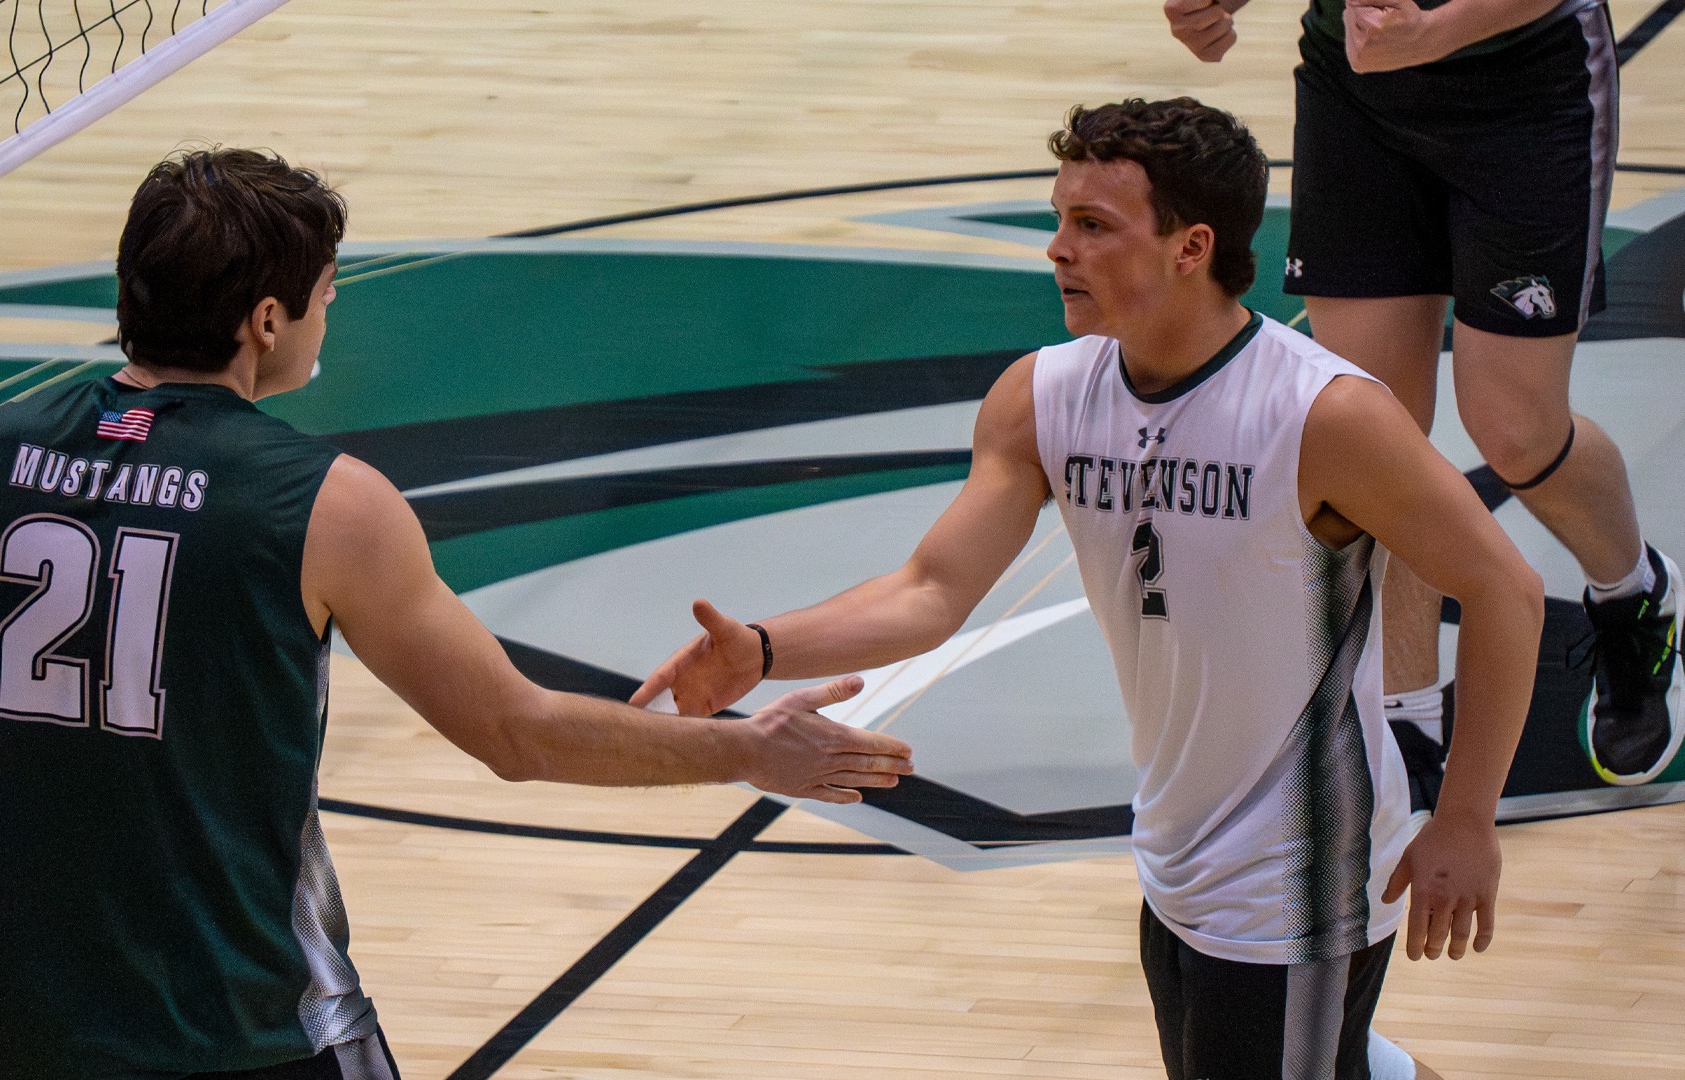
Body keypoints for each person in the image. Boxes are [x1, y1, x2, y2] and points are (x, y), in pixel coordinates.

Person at [0, 148, 914, 1080]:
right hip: (244, 1022)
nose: (330, 316)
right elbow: (517, 732)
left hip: (24, 1021)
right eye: (326, 296)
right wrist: (748, 751)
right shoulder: (327, 503)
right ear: (267, 321)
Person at [633, 99, 1543, 1079]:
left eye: (1093, 225)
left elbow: (1506, 590)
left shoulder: (1323, 415)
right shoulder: (1043, 396)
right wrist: (764, 649)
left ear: (1192, 247)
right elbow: (932, 590)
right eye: (1060, 219)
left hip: (1301, 872)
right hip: (1176, 849)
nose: (1059, 249)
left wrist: (1466, 818)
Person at [1164, 0, 1681, 788]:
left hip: (1526, 84)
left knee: (1516, 431)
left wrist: (1435, 33)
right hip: (1357, 88)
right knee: (1374, 437)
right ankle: (1405, 723)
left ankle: (1633, 595)